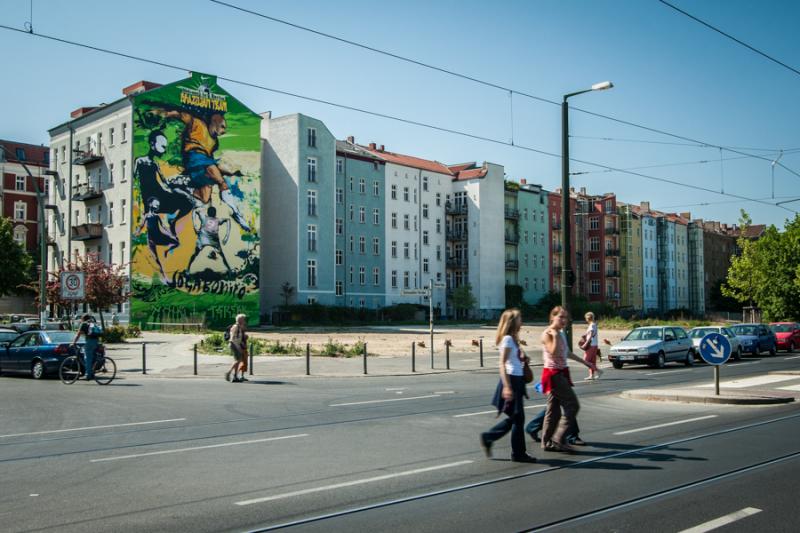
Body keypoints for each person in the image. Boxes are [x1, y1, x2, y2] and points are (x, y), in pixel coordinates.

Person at [149, 107, 250, 232]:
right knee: (221, 182)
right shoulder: (198, 124)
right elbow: (180, 115)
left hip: (200, 164)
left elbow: (211, 164)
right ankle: (236, 213)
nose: (224, 130)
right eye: (223, 127)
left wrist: (230, 172)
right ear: (215, 122)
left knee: (205, 197)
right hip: (194, 157)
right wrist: (164, 113)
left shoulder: (214, 142)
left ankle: (185, 185)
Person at [479, 309, 537, 463]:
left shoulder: (513, 340)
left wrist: (524, 360)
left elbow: (513, 360)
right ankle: (518, 453)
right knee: (518, 418)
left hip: (517, 379)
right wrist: (506, 386)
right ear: (512, 322)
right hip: (511, 380)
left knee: (516, 418)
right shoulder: (507, 340)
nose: (522, 321)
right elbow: (502, 364)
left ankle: (489, 437)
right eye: (519, 319)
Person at [540, 306, 598, 453]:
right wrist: (555, 334)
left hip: (561, 373)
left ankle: (546, 442)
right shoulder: (548, 333)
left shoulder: (560, 333)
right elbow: (554, 352)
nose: (564, 320)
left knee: (553, 411)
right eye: (561, 317)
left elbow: (566, 353)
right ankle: (559, 439)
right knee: (573, 405)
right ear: (552, 317)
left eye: (566, 317)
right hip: (554, 374)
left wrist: (585, 362)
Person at [187, 206, 231, 272]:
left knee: (195, 254)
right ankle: (229, 269)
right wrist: (226, 236)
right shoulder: (217, 220)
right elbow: (228, 220)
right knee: (222, 256)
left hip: (203, 239)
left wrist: (195, 227)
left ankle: (187, 269)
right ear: (215, 213)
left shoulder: (204, 217)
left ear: (207, 212)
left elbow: (195, 211)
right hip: (213, 241)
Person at [72, 314, 101, 381]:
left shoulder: (84, 324)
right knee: (92, 357)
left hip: (89, 341)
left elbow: (78, 334)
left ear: (83, 319)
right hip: (96, 341)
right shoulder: (92, 323)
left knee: (87, 358)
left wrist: (74, 342)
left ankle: (88, 375)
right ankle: (92, 372)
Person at [225, 314, 248, 383]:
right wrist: (234, 344)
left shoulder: (240, 327)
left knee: (237, 360)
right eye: (243, 319)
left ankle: (235, 376)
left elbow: (239, 338)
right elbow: (232, 336)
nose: (244, 321)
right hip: (234, 345)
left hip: (236, 345)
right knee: (238, 360)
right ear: (240, 320)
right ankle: (228, 372)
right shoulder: (235, 327)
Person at [581, 312, 601, 380]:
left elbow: (591, 335)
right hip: (594, 345)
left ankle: (599, 371)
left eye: (586, 318)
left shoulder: (592, 325)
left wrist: (585, 343)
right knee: (592, 361)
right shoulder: (594, 324)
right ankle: (591, 375)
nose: (585, 320)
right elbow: (590, 334)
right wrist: (585, 335)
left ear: (588, 318)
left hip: (591, 345)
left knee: (585, 360)